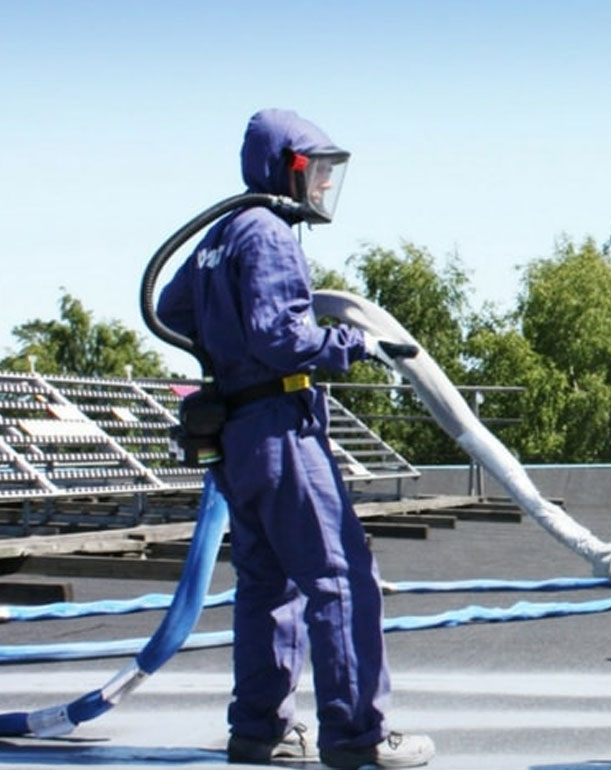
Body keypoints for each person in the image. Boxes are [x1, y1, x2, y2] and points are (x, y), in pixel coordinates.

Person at [156, 109, 435, 769]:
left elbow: (171, 309)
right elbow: (285, 340)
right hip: (283, 429)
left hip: (238, 437)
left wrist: (223, 347)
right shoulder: (270, 233)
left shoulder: (221, 235)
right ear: (287, 166)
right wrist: (355, 343)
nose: (324, 188)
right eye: (318, 172)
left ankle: (260, 731)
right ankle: (358, 737)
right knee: (340, 577)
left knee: (266, 585)